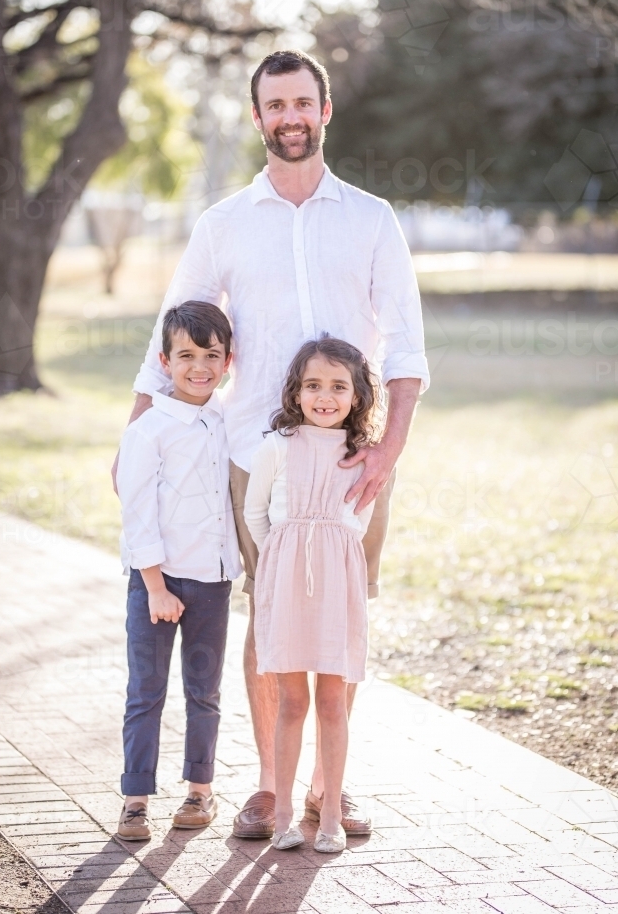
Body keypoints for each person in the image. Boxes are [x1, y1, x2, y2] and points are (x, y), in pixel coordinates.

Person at [114, 48, 429, 838]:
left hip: (354, 467)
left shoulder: (371, 218)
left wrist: (386, 454)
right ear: (257, 118)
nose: (289, 117)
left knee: (343, 620)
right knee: (270, 619)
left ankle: (330, 786)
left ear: (324, 112)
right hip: (254, 459)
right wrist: (134, 439)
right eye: (274, 106)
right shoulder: (222, 224)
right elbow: (174, 329)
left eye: (301, 103)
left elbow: (407, 352)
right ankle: (269, 788)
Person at [244, 337, 381, 852]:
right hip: (285, 584)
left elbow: (357, 525)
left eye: (338, 386)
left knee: (332, 702)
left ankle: (328, 818)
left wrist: (326, 555)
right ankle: (281, 817)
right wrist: (280, 558)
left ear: (357, 395)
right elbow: (256, 514)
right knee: (291, 702)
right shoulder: (276, 446)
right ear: (296, 393)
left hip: (337, 591)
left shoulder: (362, 457)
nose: (325, 396)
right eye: (313, 385)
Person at [115, 301, 241, 842]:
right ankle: (136, 799)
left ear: (228, 361)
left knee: (204, 692)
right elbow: (137, 511)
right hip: (156, 584)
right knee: (146, 691)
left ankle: (200, 791)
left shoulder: (226, 420)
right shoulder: (150, 429)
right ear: (165, 362)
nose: (200, 366)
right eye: (186, 354)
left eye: (211, 355)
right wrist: (155, 588)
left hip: (212, 582)